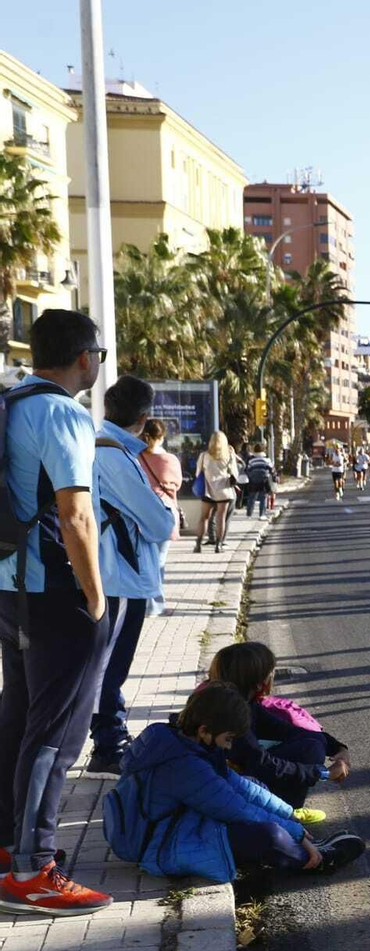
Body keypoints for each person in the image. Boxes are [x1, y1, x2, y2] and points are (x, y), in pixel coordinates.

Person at [0, 309, 115, 915]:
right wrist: (95, 597)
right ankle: (34, 867)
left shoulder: (13, 402)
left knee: (18, 719)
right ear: (85, 358)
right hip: (53, 592)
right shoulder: (63, 413)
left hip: (10, 586)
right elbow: (75, 515)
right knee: (58, 733)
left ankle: (9, 850)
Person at [104, 682, 364, 883]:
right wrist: (292, 831)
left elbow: (240, 786)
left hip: (179, 822)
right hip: (161, 844)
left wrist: (289, 815)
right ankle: (317, 861)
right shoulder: (182, 765)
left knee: (254, 786)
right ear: (205, 730)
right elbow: (234, 808)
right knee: (268, 835)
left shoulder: (186, 741)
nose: (229, 747)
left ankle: (304, 845)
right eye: (228, 739)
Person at [84, 376, 177, 780]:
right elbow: (158, 523)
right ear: (143, 418)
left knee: (109, 664)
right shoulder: (115, 457)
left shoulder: (100, 447)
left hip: (110, 572)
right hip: (119, 576)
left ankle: (109, 738)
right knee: (111, 665)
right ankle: (108, 746)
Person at [208, 643, 351, 812]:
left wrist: (338, 748)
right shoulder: (231, 714)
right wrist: (322, 773)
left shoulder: (241, 702)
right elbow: (263, 765)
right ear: (260, 683)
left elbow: (289, 731)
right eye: (271, 672)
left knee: (313, 741)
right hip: (225, 787)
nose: (272, 676)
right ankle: (283, 815)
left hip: (238, 777)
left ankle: (283, 810)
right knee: (310, 749)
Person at [137, 419, 182, 617]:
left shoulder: (136, 457)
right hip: (165, 511)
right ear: (162, 436)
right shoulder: (170, 460)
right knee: (159, 561)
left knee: (145, 560)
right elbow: (177, 484)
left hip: (142, 511)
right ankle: (155, 605)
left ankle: (147, 604)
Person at [194, 431, 239, 553]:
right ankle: (218, 546)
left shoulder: (204, 455)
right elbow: (235, 473)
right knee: (221, 517)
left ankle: (198, 545)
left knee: (204, 518)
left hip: (207, 490)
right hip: (223, 491)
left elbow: (198, 473)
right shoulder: (229, 455)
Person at [242, 444, 276, 519]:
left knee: (251, 497)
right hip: (264, 481)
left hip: (254, 481)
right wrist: (274, 477)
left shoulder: (251, 460)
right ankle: (262, 514)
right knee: (263, 497)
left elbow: (248, 469)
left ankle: (249, 514)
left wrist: (250, 477)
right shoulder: (267, 459)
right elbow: (272, 470)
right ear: (263, 450)